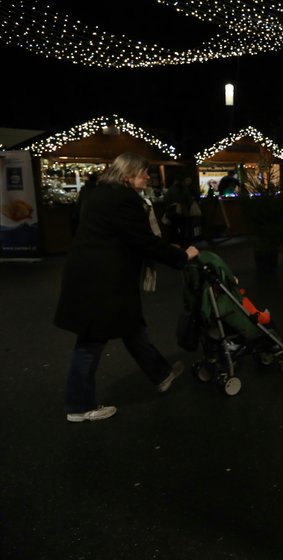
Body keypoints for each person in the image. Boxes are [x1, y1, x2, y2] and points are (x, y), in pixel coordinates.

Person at [54, 152, 200, 423]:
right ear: (127, 175)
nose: (148, 177)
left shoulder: (98, 193)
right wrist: (182, 256)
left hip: (92, 274)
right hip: (103, 281)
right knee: (91, 340)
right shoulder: (124, 200)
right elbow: (142, 241)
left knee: (131, 326)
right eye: (143, 172)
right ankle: (78, 406)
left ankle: (161, 374)